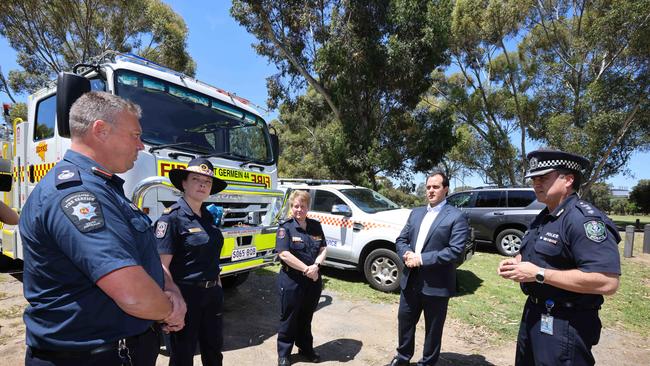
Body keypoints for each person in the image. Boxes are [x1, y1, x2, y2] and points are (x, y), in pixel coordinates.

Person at [19, 91, 186, 366]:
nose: (141, 146)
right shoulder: (76, 194)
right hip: (90, 357)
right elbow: (131, 293)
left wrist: (171, 287)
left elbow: (141, 256)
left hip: (118, 350)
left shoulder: (106, 188)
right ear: (101, 130)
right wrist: (171, 310)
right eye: (135, 135)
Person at [497, 150, 621, 366]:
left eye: (543, 178)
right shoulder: (545, 216)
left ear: (568, 180)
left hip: (566, 323)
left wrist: (539, 274)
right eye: (534, 179)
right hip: (536, 313)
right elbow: (535, 255)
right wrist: (516, 263)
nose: (536, 183)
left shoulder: (583, 220)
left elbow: (607, 281)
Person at [390, 170, 469, 366]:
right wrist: (406, 253)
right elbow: (401, 239)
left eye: (435, 187)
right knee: (405, 323)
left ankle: (427, 362)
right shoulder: (416, 213)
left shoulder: (456, 217)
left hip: (436, 285)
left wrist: (422, 259)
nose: (431, 191)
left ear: (446, 189)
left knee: (433, 330)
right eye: (428, 187)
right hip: (410, 281)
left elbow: (456, 251)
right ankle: (402, 357)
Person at [154, 158, 228, 366]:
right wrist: (173, 301)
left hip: (212, 294)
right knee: (183, 355)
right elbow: (161, 266)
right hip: (186, 296)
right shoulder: (171, 218)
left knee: (214, 350)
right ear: (184, 183)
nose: (203, 184)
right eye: (196, 179)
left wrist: (218, 287)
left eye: (207, 181)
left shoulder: (208, 217)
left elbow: (211, 258)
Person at [276, 190, 327, 366]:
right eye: (296, 206)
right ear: (291, 207)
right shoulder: (286, 227)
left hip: (313, 280)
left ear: (308, 207)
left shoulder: (315, 226)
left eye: (302, 206)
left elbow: (323, 248)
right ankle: (284, 353)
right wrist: (307, 269)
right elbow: (283, 254)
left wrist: (316, 266)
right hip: (292, 280)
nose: (299, 209)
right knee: (289, 317)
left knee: (306, 317)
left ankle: (305, 349)